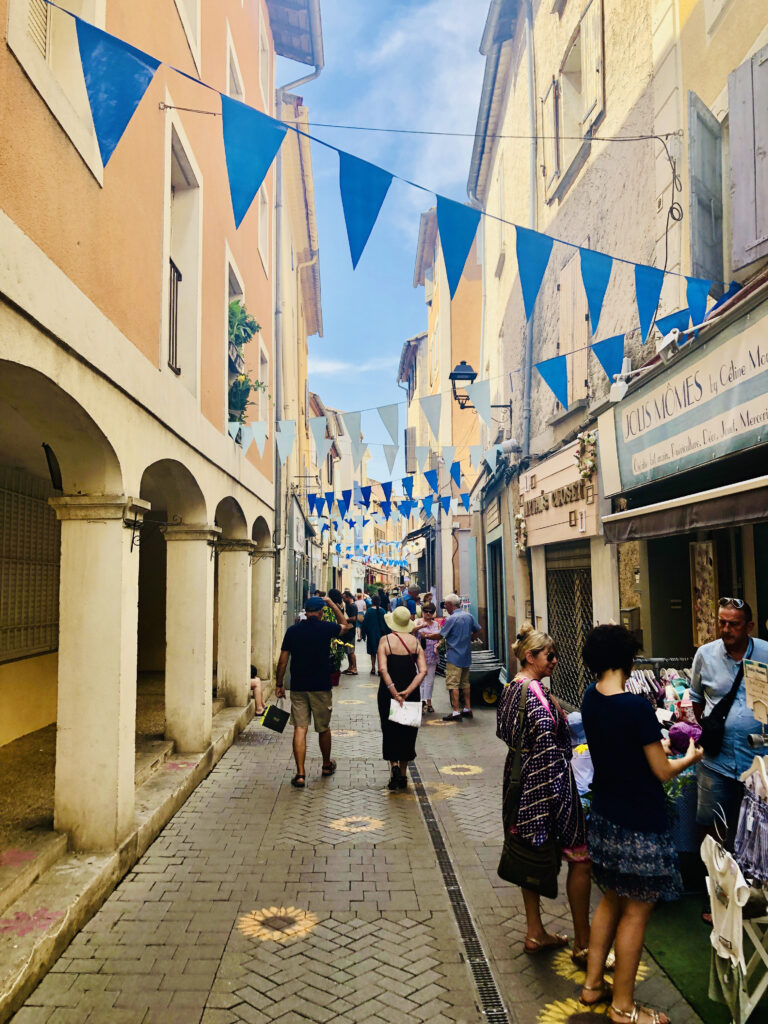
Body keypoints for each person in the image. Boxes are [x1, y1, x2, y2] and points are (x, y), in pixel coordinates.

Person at [580, 624, 703, 1024]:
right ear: (624, 659)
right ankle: (623, 1006)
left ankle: (593, 985)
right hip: (639, 823)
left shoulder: (590, 698)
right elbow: (662, 771)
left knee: (612, 898)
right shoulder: (636, 708)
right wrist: (691, 757)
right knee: (637, 912)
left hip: (605, 816)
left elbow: (621, 752)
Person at [497, 623, 592, 965]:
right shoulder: (537, 697)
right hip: (547, 782)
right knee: (580, 858)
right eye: (549, 656)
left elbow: (502, 731)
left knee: (529, 852)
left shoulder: (512, 687)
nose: (554, 661)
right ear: (530, 656)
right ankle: (584, 942)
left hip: (518, 780)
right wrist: (559, 795)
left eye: (556, 656)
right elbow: (550, 749)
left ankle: (535, 930)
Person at [690, 598, 768, 848]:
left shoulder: (766, 653)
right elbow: (696, 698)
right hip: (717, 761)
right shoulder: (705, 654)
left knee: (759, 826)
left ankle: (751, 883)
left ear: (749, 626)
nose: (726, 629)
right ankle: (715, 881)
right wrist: (712, 727)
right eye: (722, 623)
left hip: (759, 761)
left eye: (733, 624)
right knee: (712, 823)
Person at [275, 594, 353, 788]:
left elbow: (283, 660)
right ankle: (326, 765)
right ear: (320, 612)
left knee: (300, 728)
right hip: (321, 685)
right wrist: (332, 604)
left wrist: (279, 684)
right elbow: (347, 626)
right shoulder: (327, 628)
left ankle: (300, 774)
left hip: (299, 686)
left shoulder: (293, 631)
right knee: (323, 727)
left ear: (305, 612)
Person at [377, 605, 427, 791]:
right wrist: (407, 691)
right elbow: (423, 671)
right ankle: (404, 774)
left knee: (389, 729)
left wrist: (394, 691)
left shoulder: (385, 641)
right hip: (411, 693)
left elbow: (382, 669)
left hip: (388, 693)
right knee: (407, 731)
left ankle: (394, 768)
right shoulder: (415, 642)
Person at [438, 593, 482, 721]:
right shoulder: (468, 616)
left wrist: (425, 636)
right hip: (466, 655)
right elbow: (479, 630)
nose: (445, 607)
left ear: (451, 605)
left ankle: (456, 711)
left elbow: (441, 635)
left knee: (453, 684)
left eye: (446, 604)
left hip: (454, 656)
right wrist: (469, 638)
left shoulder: (451, 619)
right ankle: (467, 708)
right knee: (465, 683)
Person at [413, 602, 444, 713]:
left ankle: (429, 701)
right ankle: (421, 702)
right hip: (420, 655)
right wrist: (422, 626)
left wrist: (439, 643)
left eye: (430, 612)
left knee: (430, 680)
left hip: (432, 654)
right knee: (420, 678)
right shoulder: (417, 621)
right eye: (426, 611)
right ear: (422, 611)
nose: (428, 614)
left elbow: (440, 637)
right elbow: (412, 631)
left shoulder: (436, 624)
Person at [360, 594, 390, 675]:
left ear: (372, 601)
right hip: (381, 635)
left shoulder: (369, 611)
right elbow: (387, 624)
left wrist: (363, 634)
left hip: (371, 634)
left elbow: (364, 623)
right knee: (381, 652)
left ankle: (373, 668)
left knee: (373, 652)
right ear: (379, 601)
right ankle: (380, 668)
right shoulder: (383, 611)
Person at [340, 592, 359, 674]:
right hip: (348, 630)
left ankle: (354, 668)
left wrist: (344, 619)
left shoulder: (353, 606)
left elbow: (354, 618)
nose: (343, 600)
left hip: (351, 631)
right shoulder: (348, 606)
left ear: (348, 597)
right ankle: (350, 667)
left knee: (351, 651)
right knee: (348, 650)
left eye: (344, 598)